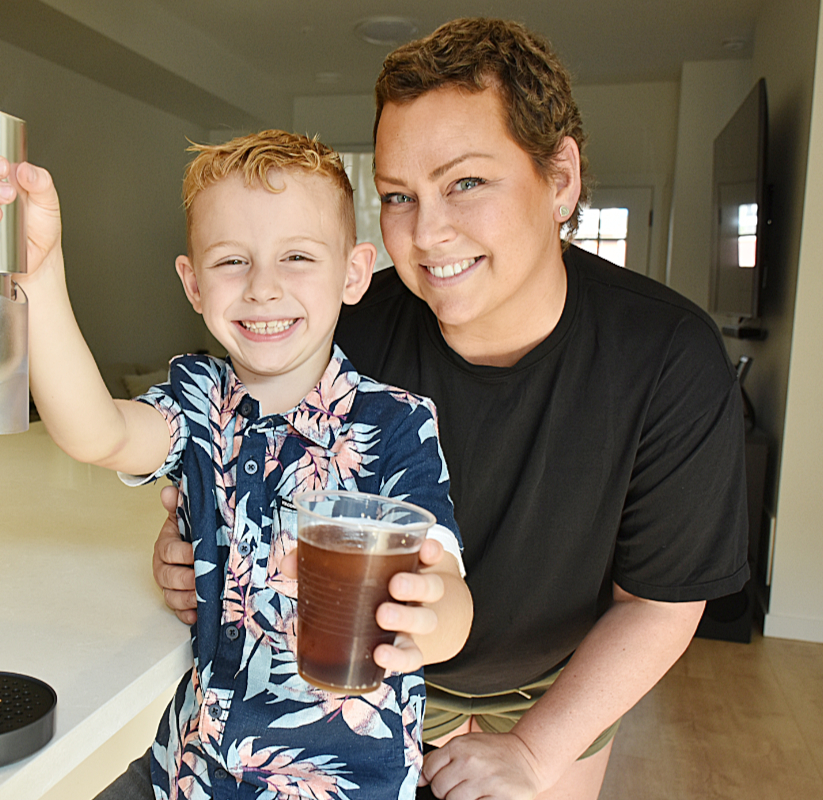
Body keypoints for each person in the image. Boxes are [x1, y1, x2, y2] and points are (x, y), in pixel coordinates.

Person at [152, 17, 750, 800]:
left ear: (560, 179)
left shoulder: (669, 355)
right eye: (399, 196)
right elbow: (234, 451)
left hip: (549, 691)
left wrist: (535, 753)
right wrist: (191, 543)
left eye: (466, 182)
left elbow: (662, 604)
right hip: (358, 685)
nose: (428, 234)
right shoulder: (346, 330)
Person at [0, 129, 473, 798]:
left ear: (352, 274)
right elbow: (97, 433)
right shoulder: (199, 403)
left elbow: (447, 590)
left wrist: (433, 622)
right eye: (232, 261)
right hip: (191, 771)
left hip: (345, 786)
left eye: (296, 257)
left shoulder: (396, 424)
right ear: (193, 284)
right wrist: (40, 274)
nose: (263, 288)